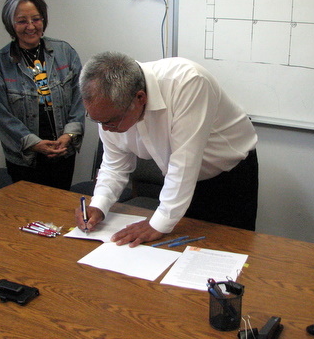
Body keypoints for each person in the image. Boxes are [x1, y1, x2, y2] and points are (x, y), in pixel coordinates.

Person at [74, 52, 258, 246]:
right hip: (180, 184)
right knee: (180, 255)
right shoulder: (110, 106)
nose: (104, 129)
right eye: (96, 120)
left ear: (140, 98)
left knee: (229, 253)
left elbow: (183, 164)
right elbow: (114, 164)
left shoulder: (189, 83)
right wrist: (99, 205)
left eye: (110, 122)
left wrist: (158, 223)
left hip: (228, 177)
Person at [0, 0, 85, 190]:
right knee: (28, 215)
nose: (30, 27)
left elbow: (80, 98)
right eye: (22, 21)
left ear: (44, 20)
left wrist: (69, 136)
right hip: (25, 159)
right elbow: (3, 118)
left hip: (63, 153)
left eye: (36, 19)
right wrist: (35, 144)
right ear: (11, 25)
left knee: (59, 213)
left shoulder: (65, 53)